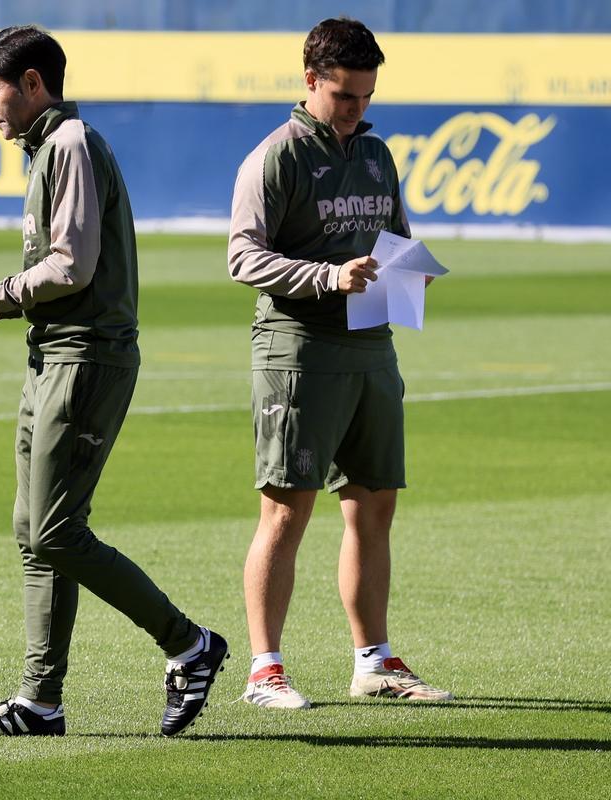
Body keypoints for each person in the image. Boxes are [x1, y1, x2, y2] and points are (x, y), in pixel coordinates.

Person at [0, 25, 228, 737]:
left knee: (54, 529)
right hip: (53, 353)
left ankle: (190, 645)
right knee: (33, 531)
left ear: (33, 83)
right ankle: (41, 701)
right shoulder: (47, 148)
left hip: (86, 357)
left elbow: (71, 265)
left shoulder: (69, 145)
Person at [227, 17, 453, 709]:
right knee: (287, 511)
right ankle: (265, 670)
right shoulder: (277, 156)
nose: (356, 107)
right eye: (344, 94)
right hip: (299, 348)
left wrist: (410, 273)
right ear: (311, 80)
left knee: (373, 505)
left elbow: (394, 239)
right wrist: (327, 276)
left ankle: (373, 661)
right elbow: (243, 257)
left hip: (371, 345)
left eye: (365, 94)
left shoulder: (378, 153)